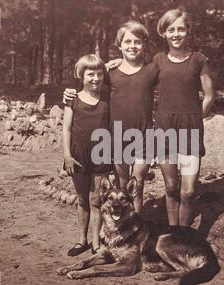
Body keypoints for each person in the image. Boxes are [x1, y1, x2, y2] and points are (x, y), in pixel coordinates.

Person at [64, 21, 158, 214]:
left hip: (144, 135)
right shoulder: (110, 72)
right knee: (122, 186)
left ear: (144, 44)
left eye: (137, 42)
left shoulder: (152, 70)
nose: (132, 46)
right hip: (117, 137)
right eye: (127, 41)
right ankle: (122, 228)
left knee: (137, 185)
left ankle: (136, 230)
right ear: (119, 44)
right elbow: (89, 81)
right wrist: (68, 92)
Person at [153, 8, 214, 227]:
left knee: (188, 191)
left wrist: (197, 118)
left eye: (180, 28)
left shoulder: (198, 60)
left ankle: (184, 234)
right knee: (170, 187)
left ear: (188, 31)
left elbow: (209, 96)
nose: (176, 33)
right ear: (164, 33)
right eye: (171, 29)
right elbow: (137, 81)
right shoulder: (158, 60)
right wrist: (112, 65)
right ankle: (172, 233)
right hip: (165, 129)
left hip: (190, 129)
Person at [62, 54, 111, 256]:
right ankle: (81, 240)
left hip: (101, 154)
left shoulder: (108, 97)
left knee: (96, 200)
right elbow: (66, 129)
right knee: (82, 200)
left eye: (100, 74)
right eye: (91, 74)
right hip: (78, 156)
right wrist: (67, 156)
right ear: (81, 76)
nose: (96, 79)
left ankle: (96, 243)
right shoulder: (72, 99)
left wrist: (110, 64)